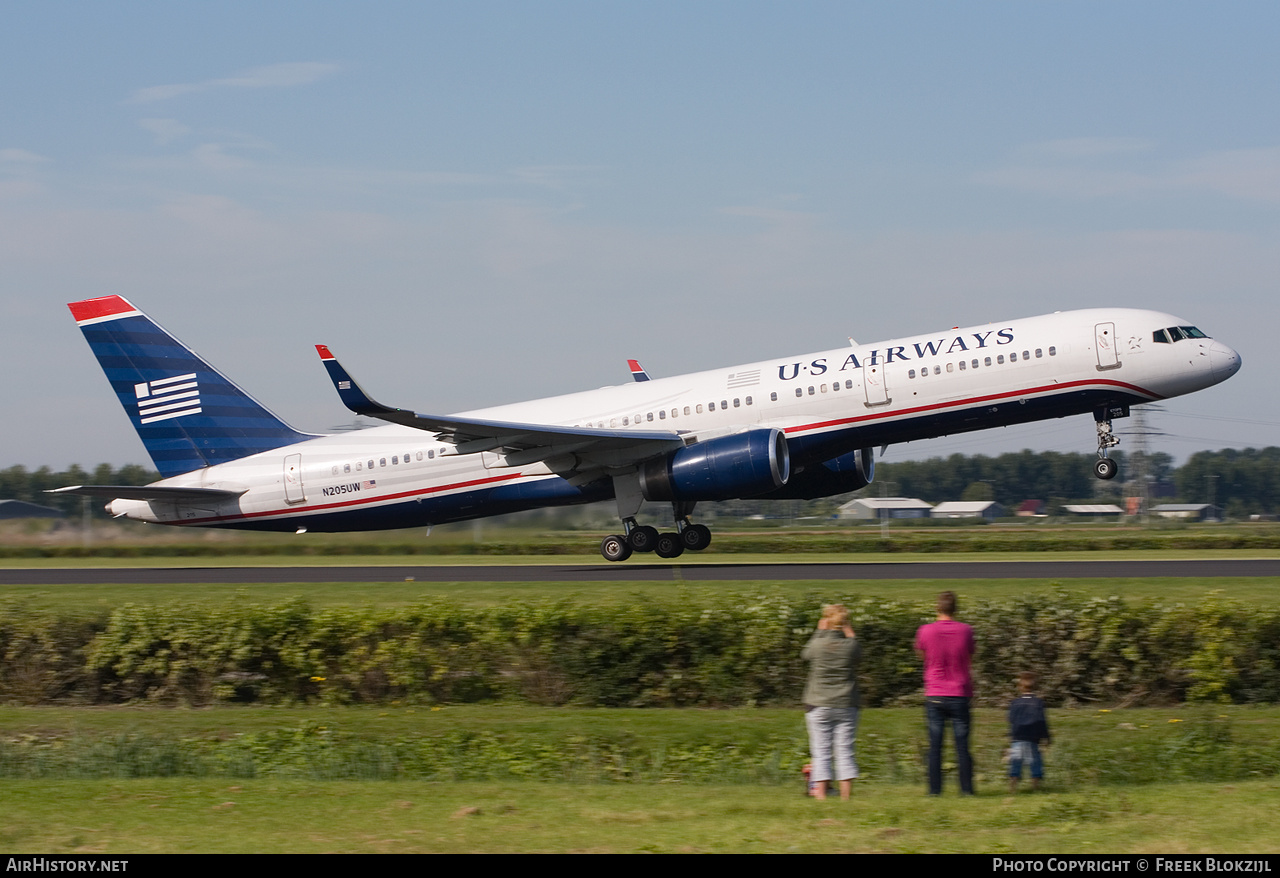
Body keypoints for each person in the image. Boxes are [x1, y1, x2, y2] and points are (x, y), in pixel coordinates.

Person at [914, 590, 976, 795]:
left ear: (937, 607)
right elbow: (970, 654)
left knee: (935, 745)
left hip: (935, 691)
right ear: (955, 608)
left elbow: (921, 655)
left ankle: (935, 790)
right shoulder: (966, 630)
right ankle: (966, 789)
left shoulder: (925, 630)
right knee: (962, 745)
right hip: (959, 691)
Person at [802, 604, 862, 800]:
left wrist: (819, 632)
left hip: (818, 703)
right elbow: (858, 652)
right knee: (845, 751)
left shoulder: (818, 644)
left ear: (826, 621)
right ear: (844, 623)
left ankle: (821, 796)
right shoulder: (850, 646)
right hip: (846, 703)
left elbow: (805, 654)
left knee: (821, 752)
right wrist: (849, 630)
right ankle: (846, 798)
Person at [1007, 671, 1051, 792]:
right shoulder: (1038, 703)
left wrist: (1010, 735)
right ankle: (1035, 787)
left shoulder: (1015, 703)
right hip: (1033, 738)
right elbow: (1042, 721)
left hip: (1017, 737)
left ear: (1020, 687)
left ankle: (1012, 788)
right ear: (1035, 686)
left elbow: (1011, 719)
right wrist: (1047, 737)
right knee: (1035, 762)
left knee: (1015, 761)